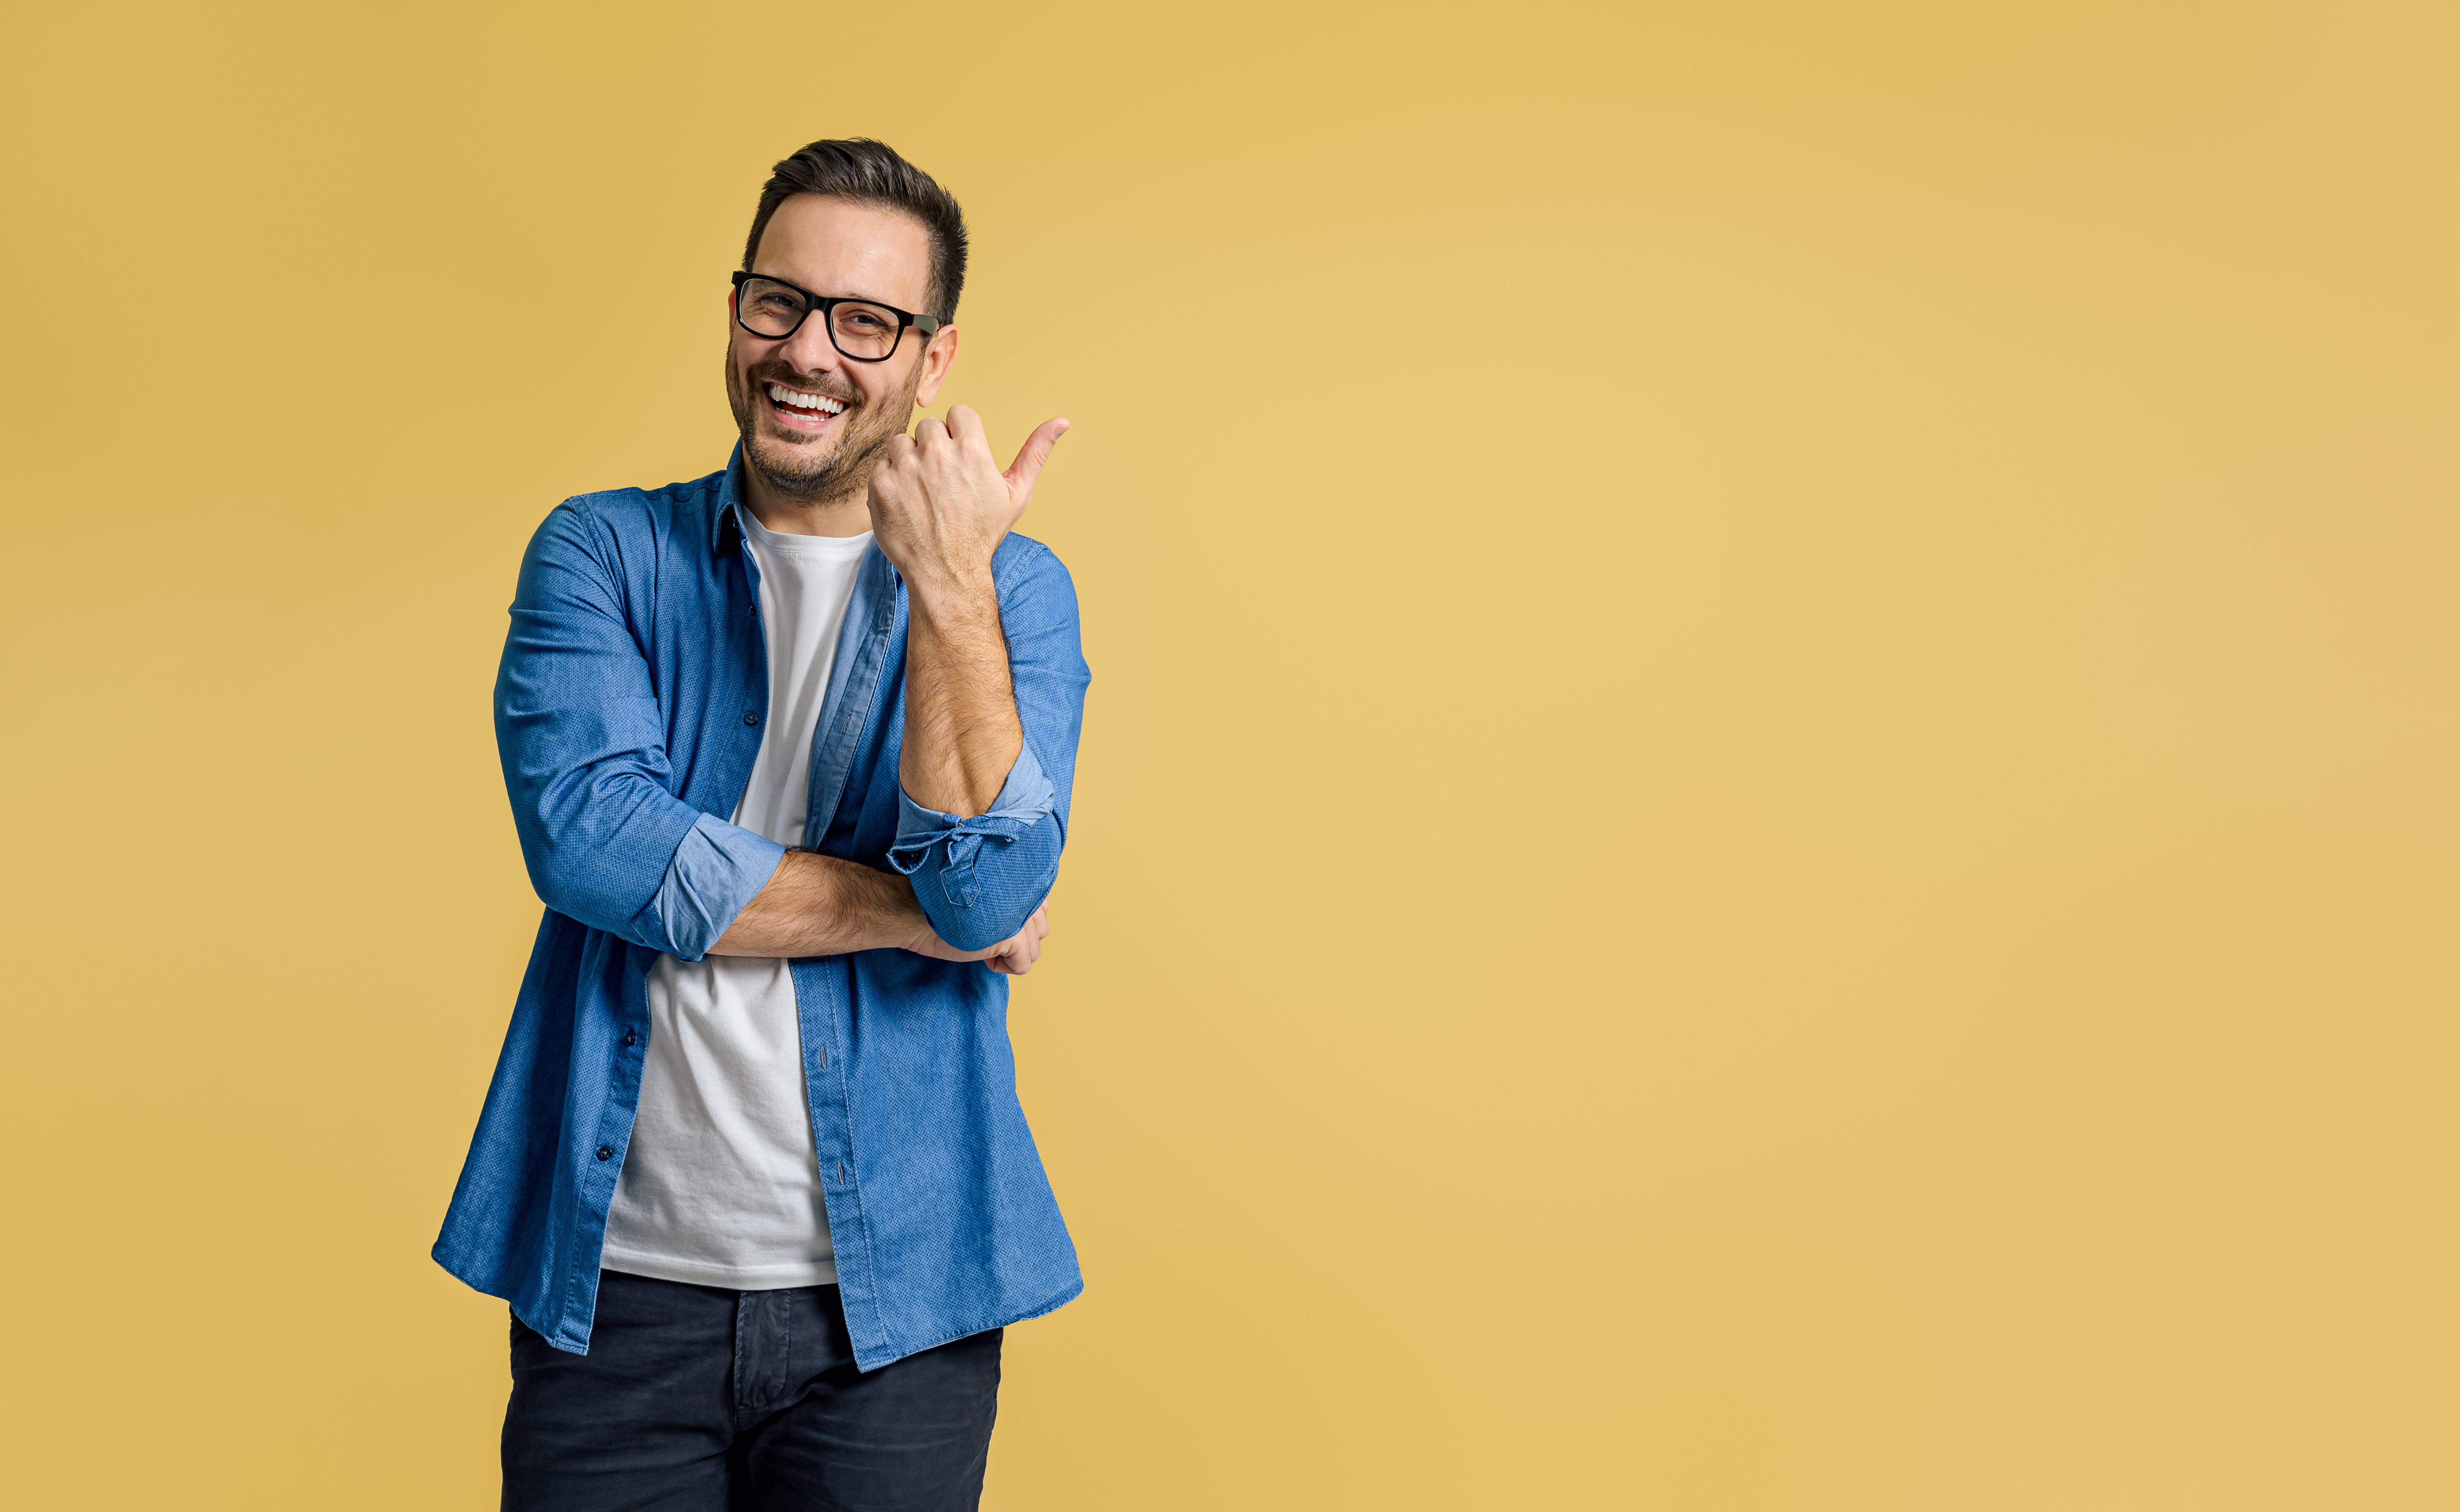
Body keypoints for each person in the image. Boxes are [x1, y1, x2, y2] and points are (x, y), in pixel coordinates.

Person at [433, 137, 1090, 1511]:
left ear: (932, 357)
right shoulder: (603, 551)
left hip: (898, 1310)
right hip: (617, 1296)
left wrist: (949, 588)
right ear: (736, 310)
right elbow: (596, 846)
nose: (809, 353)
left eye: (867, 323)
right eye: (777, 303)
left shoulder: (1011, 592)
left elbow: (991, 896)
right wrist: (911, 918)